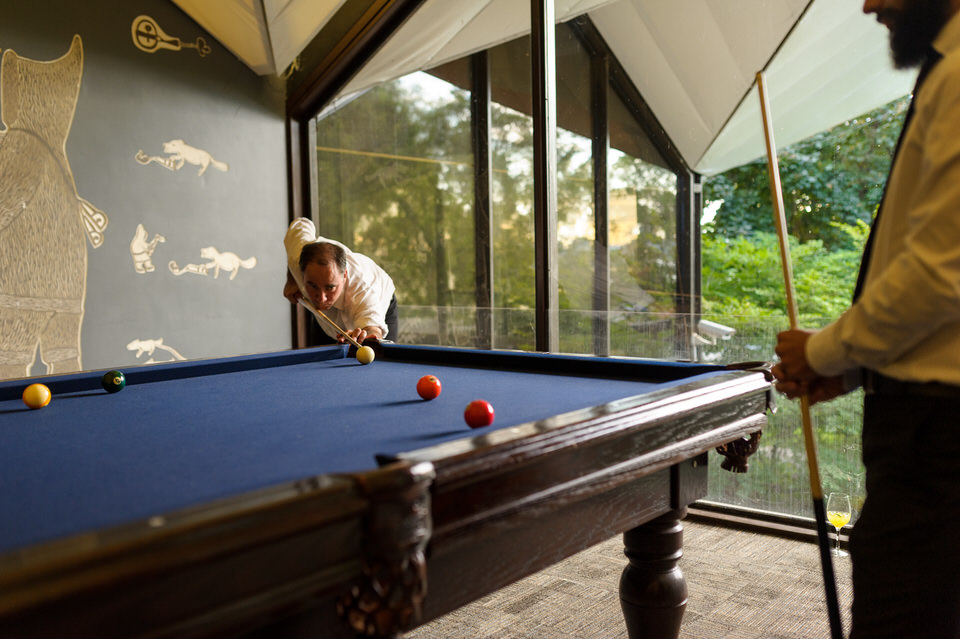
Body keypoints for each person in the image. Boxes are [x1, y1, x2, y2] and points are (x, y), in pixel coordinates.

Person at [773, 1, 960, 637]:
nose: (869, 3)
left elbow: (941, 272)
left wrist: (824, 352)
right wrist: (856, 366)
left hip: (938, 442)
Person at [284, 217, 398, 344]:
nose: (321, 298)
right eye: (313, 286)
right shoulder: (297, 258)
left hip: (380, 302)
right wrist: (291, 279)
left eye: (330, 287)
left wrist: (364, 337)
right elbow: (301, 223)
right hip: (330, 321)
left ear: (344, 276)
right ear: (302, 272)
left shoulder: (363, 289)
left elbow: (373, 330)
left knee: (377, 354)